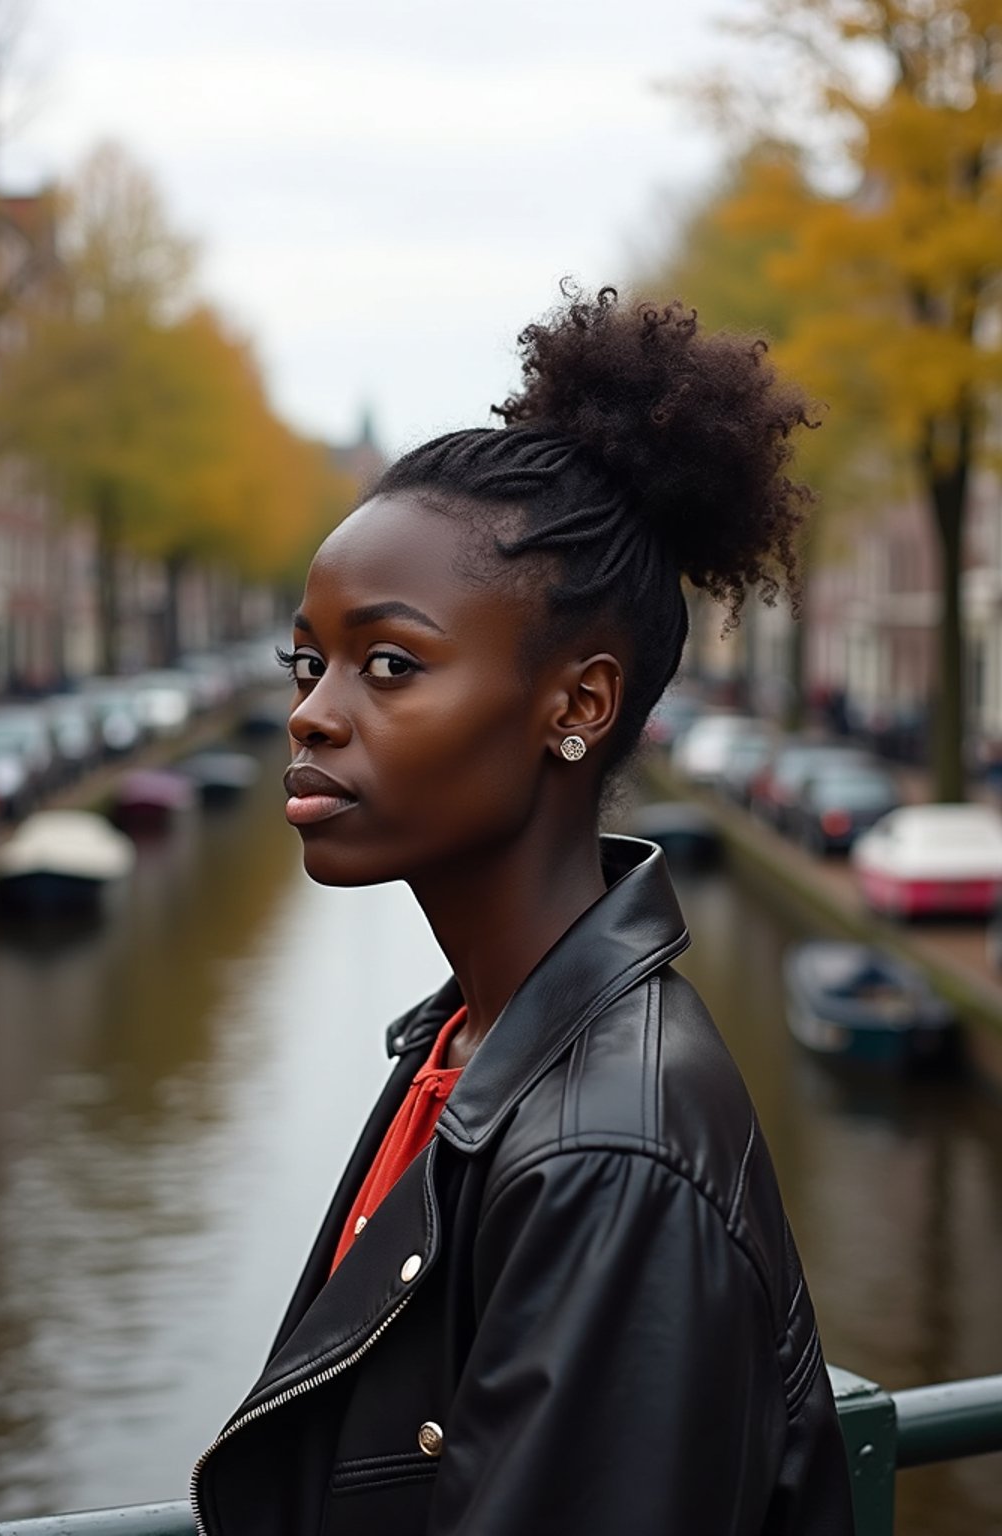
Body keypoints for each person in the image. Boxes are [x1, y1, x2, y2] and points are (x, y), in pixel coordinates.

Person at [191, 288, 854, 1536]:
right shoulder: (467, 1047)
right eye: (308, 661)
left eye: (388, 664)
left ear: (579, 706)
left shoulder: (610, 1154)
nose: (311, 713)